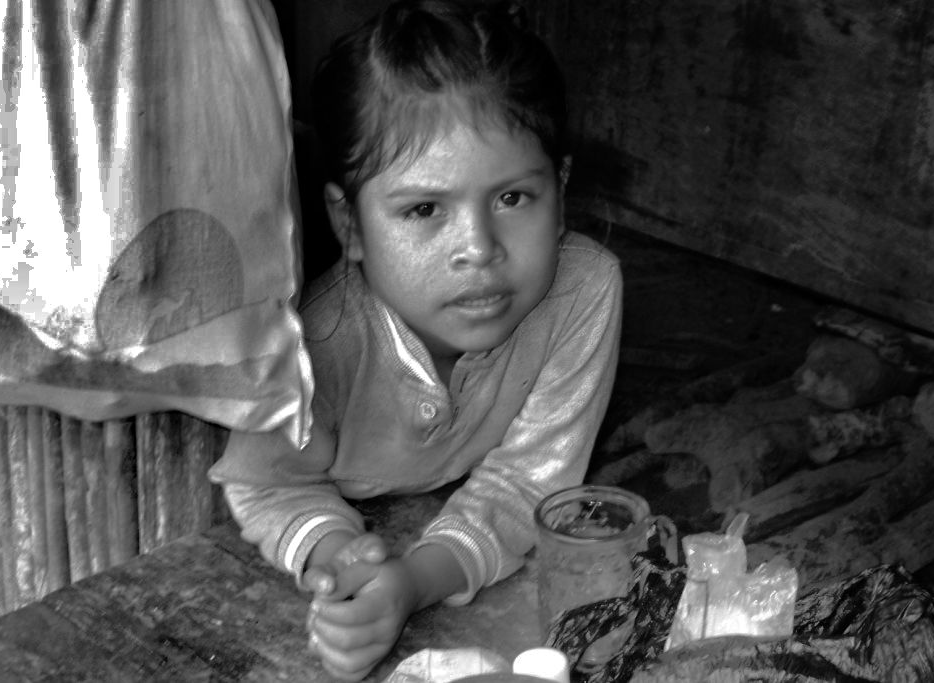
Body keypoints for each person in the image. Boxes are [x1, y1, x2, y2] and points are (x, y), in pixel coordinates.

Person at [208, 0, 623, 679]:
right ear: (349, 223)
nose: (478, 248)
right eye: (425, 209)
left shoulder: (582, 293)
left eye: (513, 198)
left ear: (561, 190)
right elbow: (268, 484)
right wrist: (342, 556)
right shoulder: (314, 346)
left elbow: (530, 479)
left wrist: (416, 580)